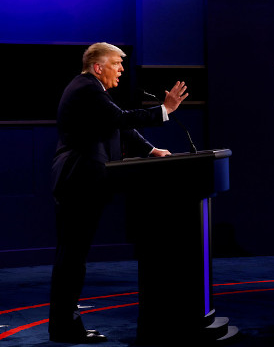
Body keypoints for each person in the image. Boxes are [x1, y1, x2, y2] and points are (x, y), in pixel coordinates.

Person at [49, 42, 189, 343]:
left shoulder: (92, 90)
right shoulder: (86, 88)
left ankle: (64, 325)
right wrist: (164, 110)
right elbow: (121, 119)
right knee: (72, 256)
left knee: (73, 255)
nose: (122, 69)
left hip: (82, 179)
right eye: (116, 63)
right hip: (78, 179)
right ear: (98, 67)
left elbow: (119, 127)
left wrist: (151, 150)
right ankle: (64, 327)